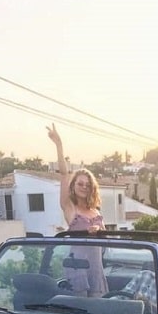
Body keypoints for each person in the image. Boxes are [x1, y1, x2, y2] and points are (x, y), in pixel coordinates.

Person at [47, 123, 108, 297]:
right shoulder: (69, 207)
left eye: (87, 185)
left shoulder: (96, 212)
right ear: (73, 186)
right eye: (80, 184)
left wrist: (99, 231)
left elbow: (106, 242)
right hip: (76, 267)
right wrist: (59, 145)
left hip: (96, 269)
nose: (84, 187)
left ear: (92, 188)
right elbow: (64, 174)